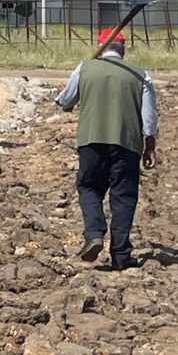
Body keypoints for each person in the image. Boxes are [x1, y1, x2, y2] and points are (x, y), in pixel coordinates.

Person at [55, 26, 159, 270]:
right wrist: (150, 147)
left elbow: (65, 102)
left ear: (99, 48)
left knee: (89, 187)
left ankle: (94, 233)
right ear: (123, 49)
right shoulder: (140, 75)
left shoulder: (85, 68)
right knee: (123, 197)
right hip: (126, 143)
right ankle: (121, 256)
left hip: (91, 141)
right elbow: (149, 118)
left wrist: (62, 96)